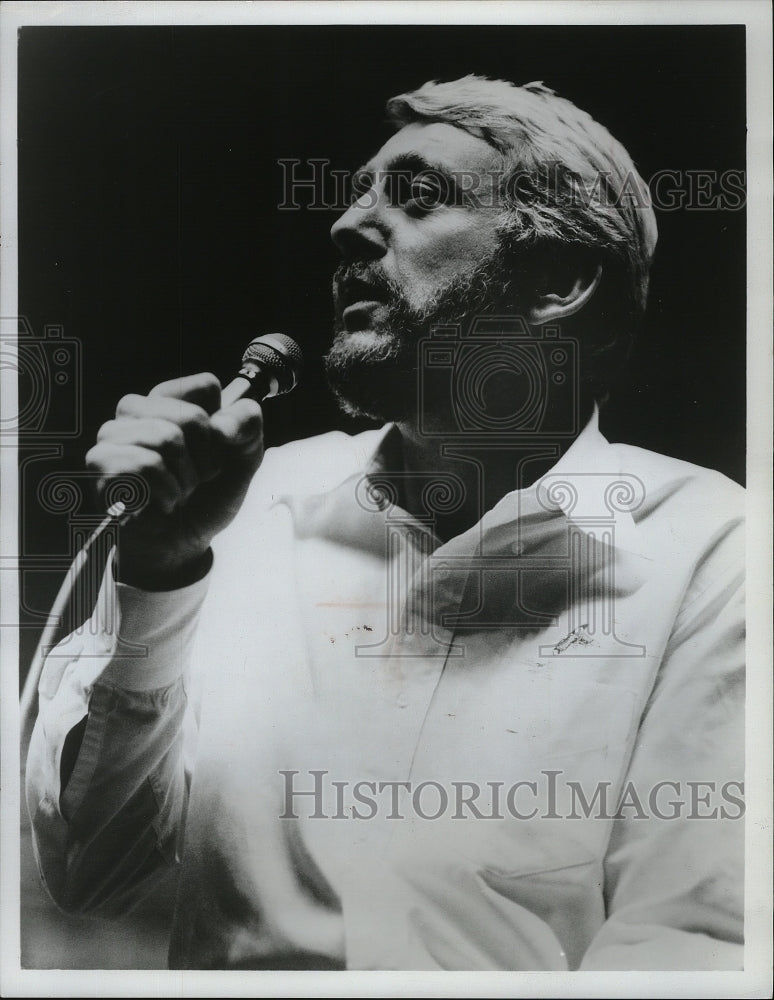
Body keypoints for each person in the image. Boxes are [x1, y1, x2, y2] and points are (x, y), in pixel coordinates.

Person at [26, 76, 744, 971]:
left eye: (416, 197)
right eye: (359, 192)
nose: (345, 227)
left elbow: (690, 945)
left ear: (558, 280)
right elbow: (95, 871)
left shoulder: (715, 548)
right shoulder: (244, 509)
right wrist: (160, 576)